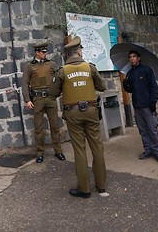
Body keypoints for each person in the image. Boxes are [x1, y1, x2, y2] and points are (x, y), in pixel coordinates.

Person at [50, 36, 107, 198]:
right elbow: (102, 87)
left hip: (73, 113)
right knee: (97, 147)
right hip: (91, 110)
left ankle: (84, 189)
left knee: (79, 149)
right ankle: (101, 185)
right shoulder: (90, 67)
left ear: (67, 55)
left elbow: (53, 93)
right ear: (79, 52)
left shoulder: (61, 71)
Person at [21, 41, 65, 163]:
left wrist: (58, 92)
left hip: (50, 98)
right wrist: (27, 99)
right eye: (42, 52)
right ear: (37, 53)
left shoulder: (51, 64)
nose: (44, 54)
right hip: (37, 99)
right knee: (38, 128)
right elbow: (24, 83)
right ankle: (39, 152)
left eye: (45, 52)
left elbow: (60, 77)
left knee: (55, 126)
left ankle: (58, 150)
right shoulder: (29, 66)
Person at [123, 50, 158, 163]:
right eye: (130, 57)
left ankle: (157, 151)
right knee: (143, 130)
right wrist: (126, 85)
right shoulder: (130, 73)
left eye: (134, 56)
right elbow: (130, 90)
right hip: (137, 105)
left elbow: (154, 87)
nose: (132, 59)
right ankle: (148, 149)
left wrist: (153, 102)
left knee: (152, 129)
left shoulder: (147, 70)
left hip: (147, 105)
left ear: (139, 58)